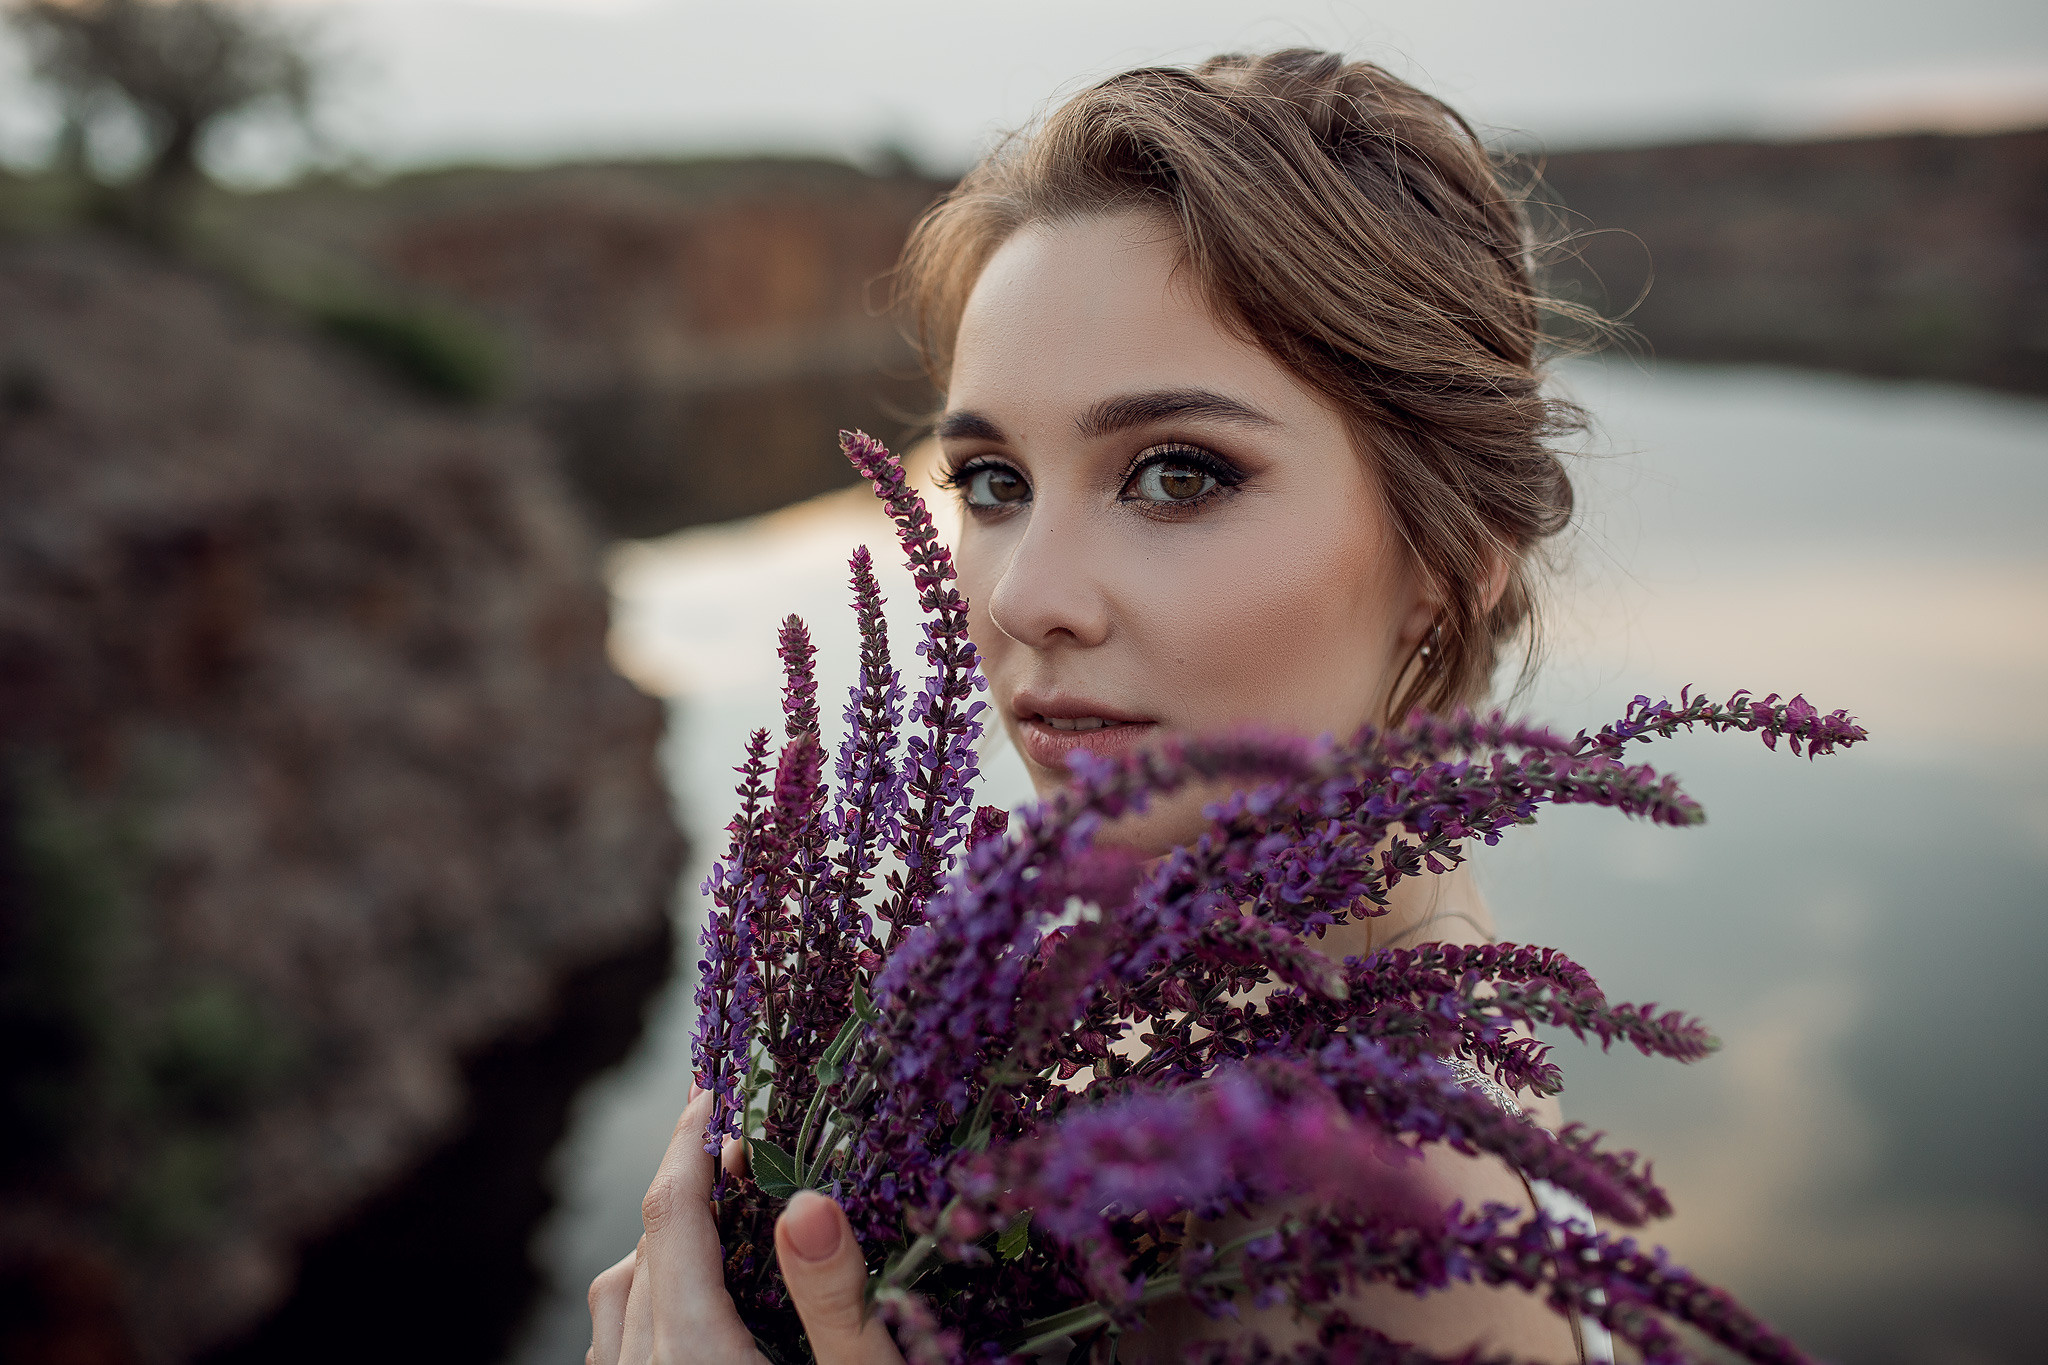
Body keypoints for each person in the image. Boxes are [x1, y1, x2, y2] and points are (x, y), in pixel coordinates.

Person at [588, 49, 1606, 1365]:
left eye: (1177, 474)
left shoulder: (1395, 1255)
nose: (1026, 597)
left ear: (1450, 561)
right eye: (994, 481)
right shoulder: (1199, 1042)